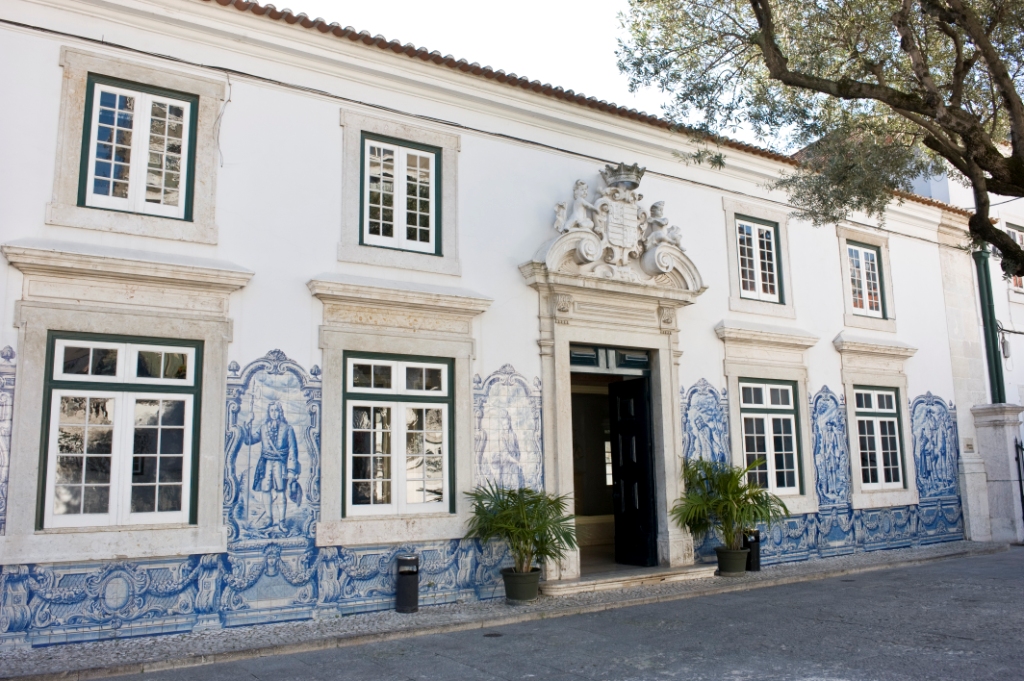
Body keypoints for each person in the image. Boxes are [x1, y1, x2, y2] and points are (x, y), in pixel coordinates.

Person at [244, 401, 300, 532]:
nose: (274, 413)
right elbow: (249, 440)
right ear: (269, 412)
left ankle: (281, 522)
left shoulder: (288, 429)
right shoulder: (263, 428)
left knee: (280, 491)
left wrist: (291, 470)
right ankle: (269, 519)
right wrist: (247, 425)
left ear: (280, 412)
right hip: (266, 463)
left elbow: (293, 450)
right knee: (266, 490)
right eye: (272, 410)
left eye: (276, 410)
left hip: (280, 464)